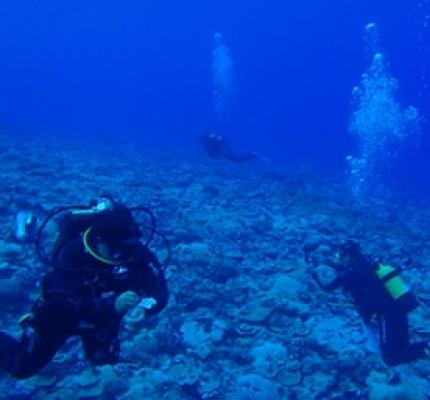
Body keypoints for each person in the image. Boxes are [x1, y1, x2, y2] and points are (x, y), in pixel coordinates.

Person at [0, 196, 168, 379]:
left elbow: (158, 290)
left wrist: (144, 309)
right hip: (61, 316)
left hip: (104, 314)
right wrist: (111, 306)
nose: (123, 258)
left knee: (102, 359)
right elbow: (59, 303)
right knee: (22, 366)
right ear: (99, 240)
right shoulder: (73, 254)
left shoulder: (134, 253)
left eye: (128, 249)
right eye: (116, 251)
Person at [312, 240, 429, 367]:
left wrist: (314, 276)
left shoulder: (349, 273)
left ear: (348, 256)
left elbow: (328, 287)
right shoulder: (368, 264)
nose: (339, 259)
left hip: (386, 314)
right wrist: (330, 264)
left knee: (391, 358)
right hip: (399, 307)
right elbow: (349, 270)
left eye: (340, 256)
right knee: (401, 349)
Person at [199, 133, 267, 163]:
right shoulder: (209, 142)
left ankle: (252, 154)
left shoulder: (212, 140)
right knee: (237, 160)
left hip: (224, 152)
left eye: (203, 144)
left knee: (238, 160)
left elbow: (226, 143)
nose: (203, 145)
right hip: (222, 153)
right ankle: (252, 155)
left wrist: (223, 152)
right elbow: (211, 154)